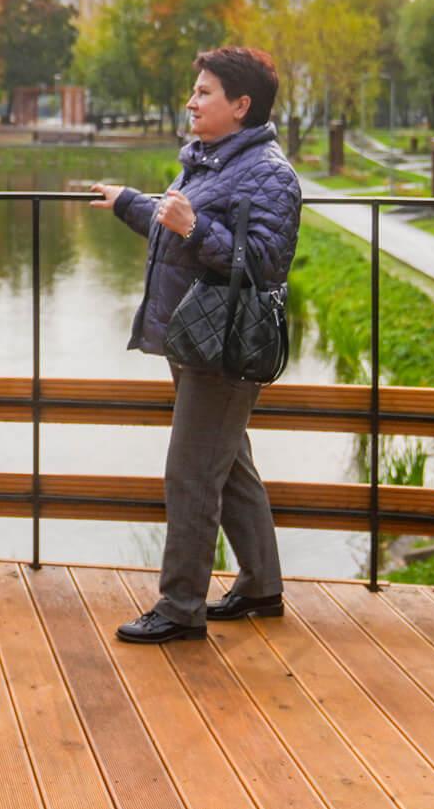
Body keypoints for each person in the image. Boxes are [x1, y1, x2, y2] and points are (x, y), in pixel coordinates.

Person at [89, 46, 302, 644]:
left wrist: (193, 226)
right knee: (228, 466)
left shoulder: (271, 174)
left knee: (190, 475)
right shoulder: (207, 162)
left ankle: (181, 607)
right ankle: (260, 585)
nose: (191, 101)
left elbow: (264, 262)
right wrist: (130, 202)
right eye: (195, 90)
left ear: (241, 105)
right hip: (196, 339)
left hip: (226, 346)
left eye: (204, 92)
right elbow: (176, 224)